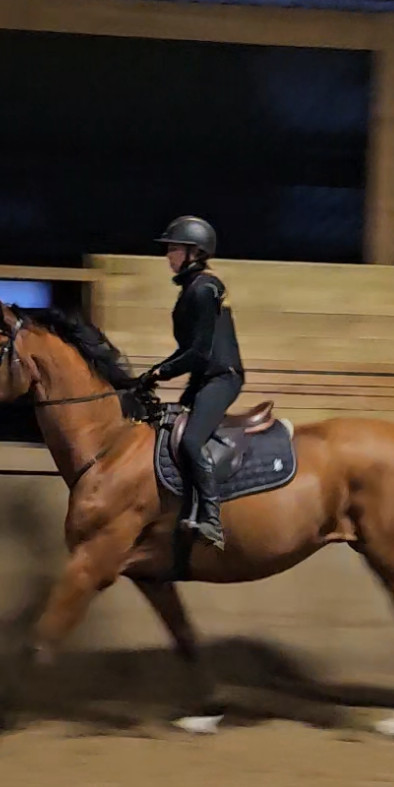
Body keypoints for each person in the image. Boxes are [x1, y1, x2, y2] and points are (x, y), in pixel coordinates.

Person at [137, 215, 244, 550]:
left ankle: (212, 520)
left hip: (221, 379)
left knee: (191, 441)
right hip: (203, 378)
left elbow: (198, 352)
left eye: (173, 249)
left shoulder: (202, 289)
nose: (168, 255)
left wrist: (159, 372)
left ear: (193, 252)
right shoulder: (194, 288)